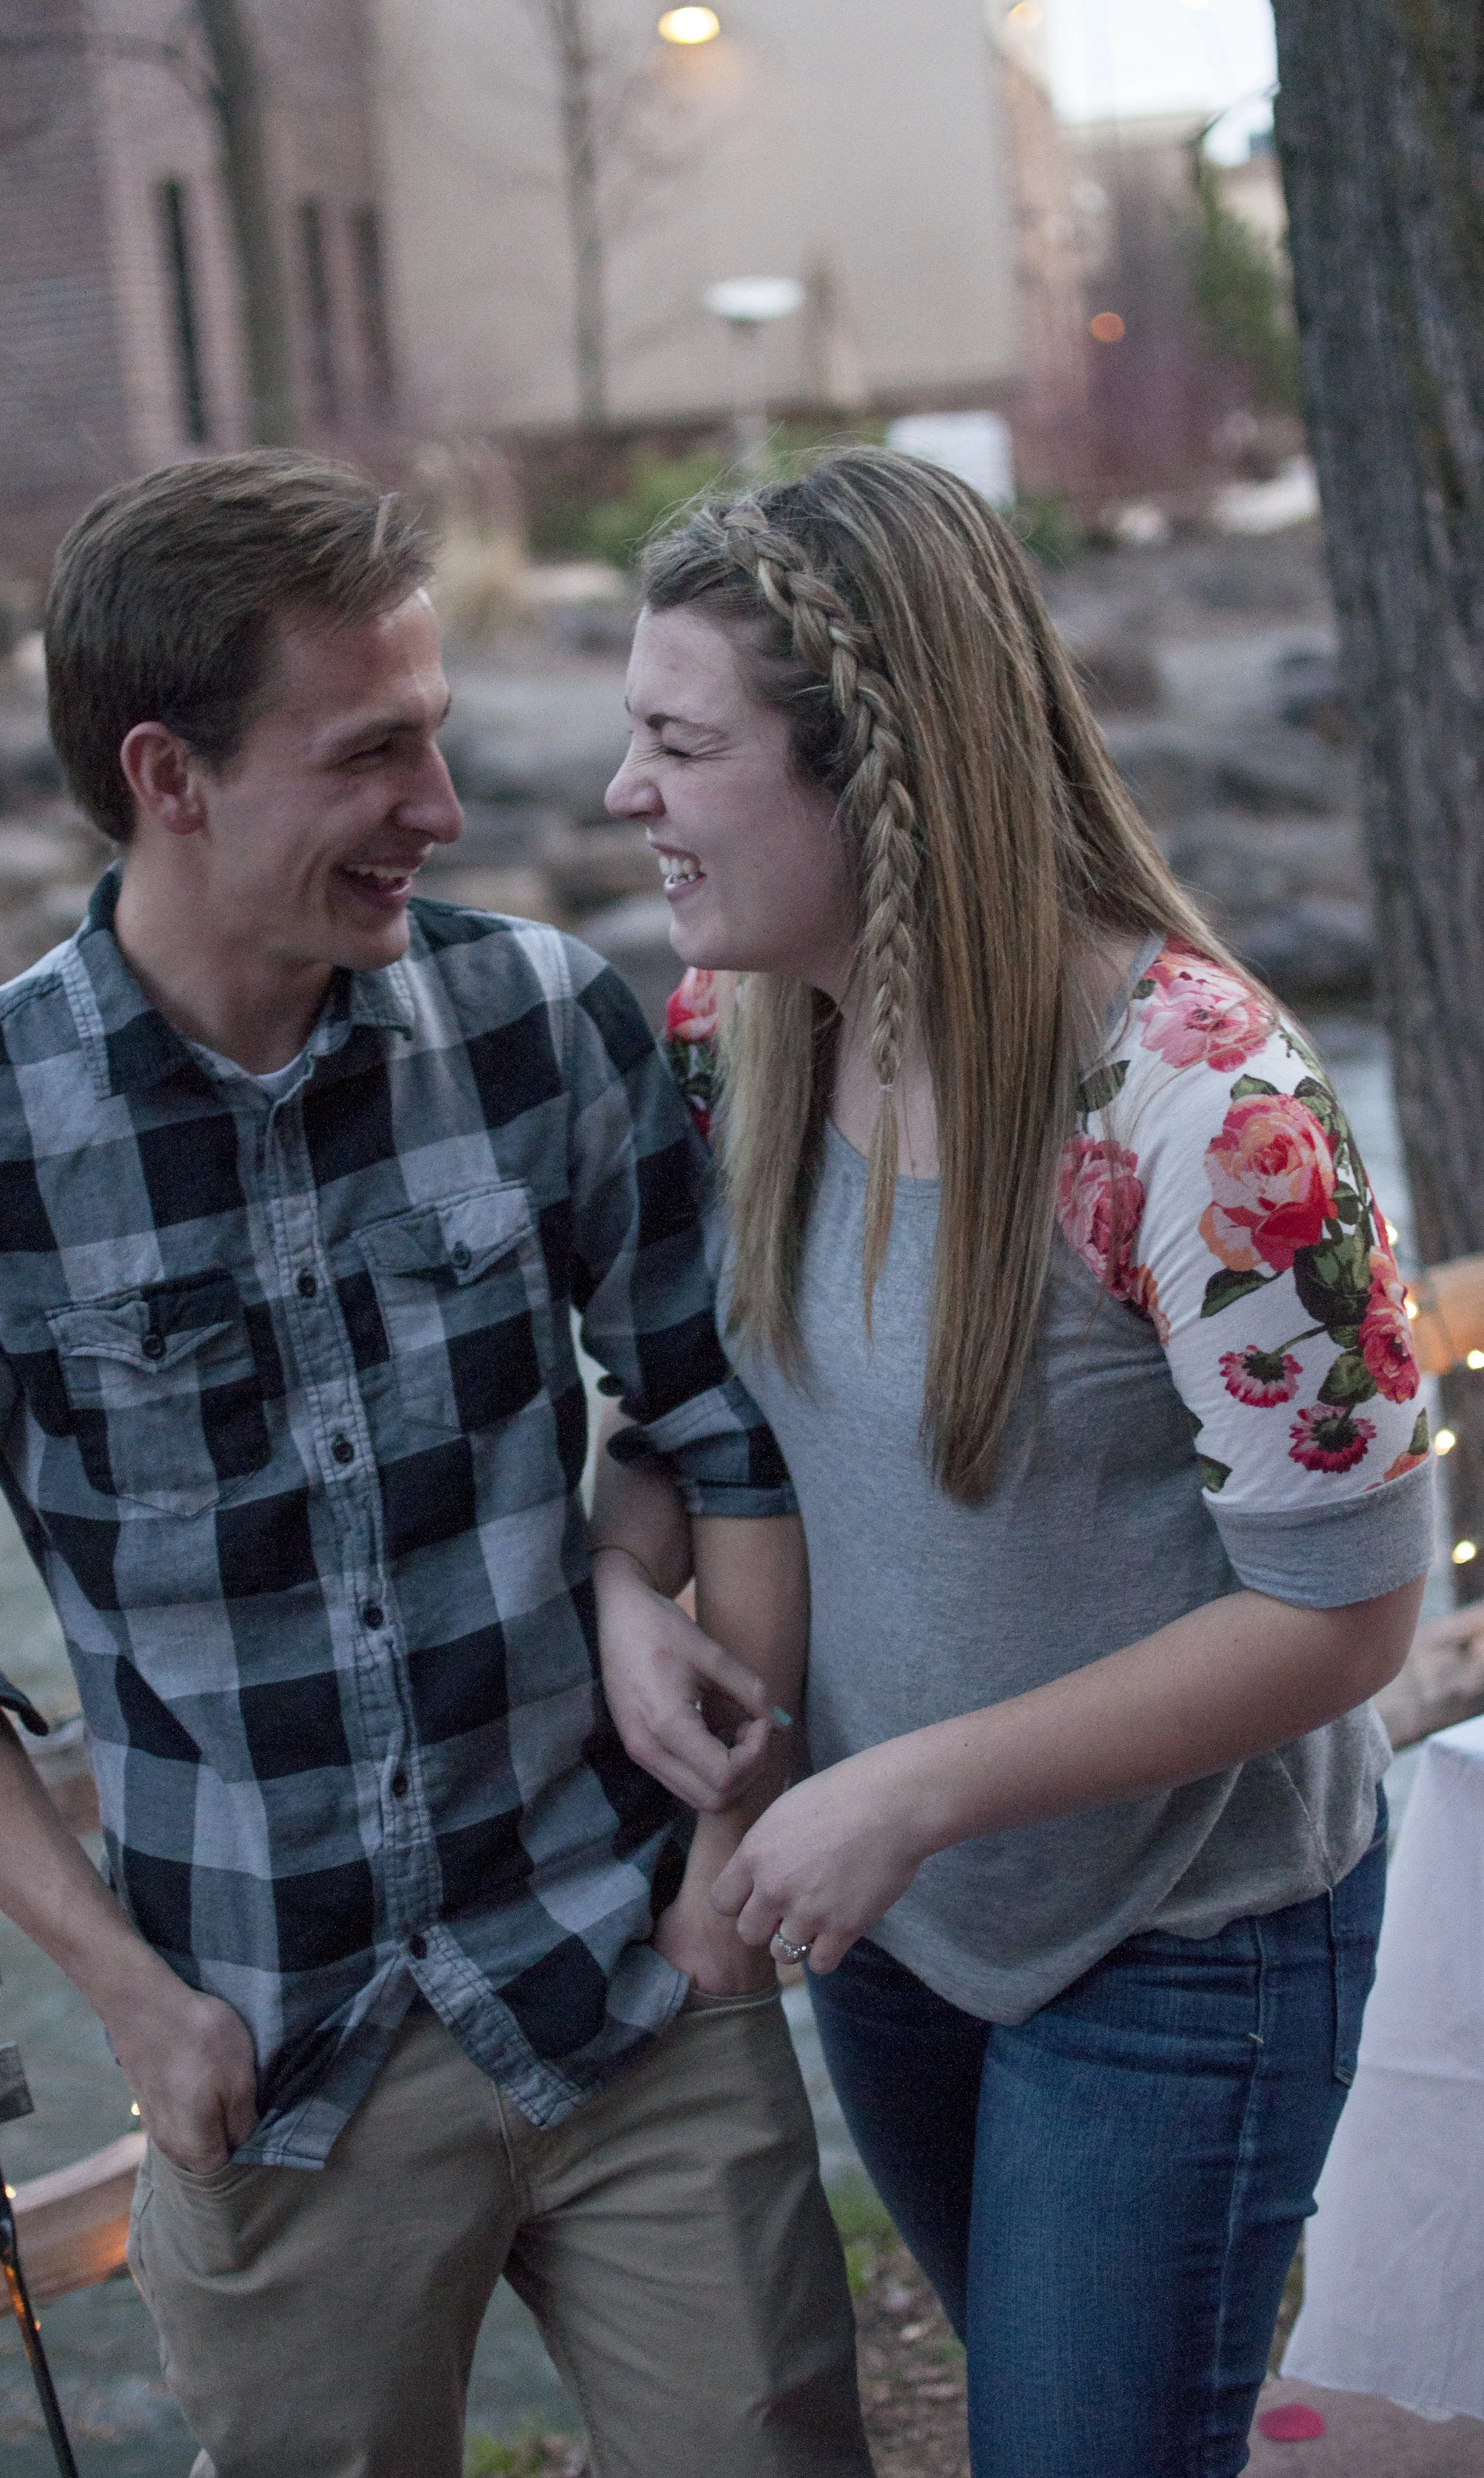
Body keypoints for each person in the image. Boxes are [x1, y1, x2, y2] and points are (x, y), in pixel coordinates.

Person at [0, 452, 872, 2478]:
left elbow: (711, 1410)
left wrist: (726, 1879)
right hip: (269, 2067)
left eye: (440, 738)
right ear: (172, 773)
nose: (446, 811)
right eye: (373, 752)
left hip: (632, 1986)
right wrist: (135, 2000)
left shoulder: (546, 1028)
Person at [591, 446, 1434, 2478]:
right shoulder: (735, 1029)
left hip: (1184, 1941)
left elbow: (1346, 1616)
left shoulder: (1202, 1103)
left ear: (861, 782)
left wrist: (905, 1784)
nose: (624, 794)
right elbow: (683, 1408)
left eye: (677, 743)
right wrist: (626, 1581)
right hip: (906, 1935)